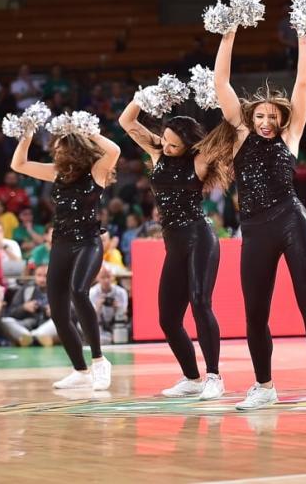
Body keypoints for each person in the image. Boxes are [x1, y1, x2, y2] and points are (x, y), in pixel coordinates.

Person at [197, 13, 306, 412]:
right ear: (249, 119)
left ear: (280, 120)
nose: (264, 121)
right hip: (255, 230)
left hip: (292, 221)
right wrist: (229, 34)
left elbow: (304, 83)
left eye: (270, 117)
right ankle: (264, 386)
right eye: (258, 116)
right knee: (255, 312)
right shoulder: (240, 136)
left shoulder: (291, 136)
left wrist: (304, 36)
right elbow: (221, 83)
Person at [120, 94, 233, 401]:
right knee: (168, 319)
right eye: (165, 140)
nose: (166, 147)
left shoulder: (199, 160)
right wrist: (143, 97)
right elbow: (127, 121)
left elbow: (230, 128)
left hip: (199, 237)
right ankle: (192, 378)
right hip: (173, 242)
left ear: (187, 144)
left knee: (200, 303)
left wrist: (218, 95)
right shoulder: (157, 152)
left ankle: (214, 377)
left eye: (173, 144)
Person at [10, 113, 119, 391]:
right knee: (58, 311)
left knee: (79, 291)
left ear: (75, 150)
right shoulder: (56, 172)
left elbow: (114, 149)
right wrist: (27, 132)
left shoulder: (97, 170)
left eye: (60, 146)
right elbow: (18, 164)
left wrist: (88, 130)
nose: (55, 150)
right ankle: (80, 370)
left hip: (89, 242)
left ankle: (99, 361)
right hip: (61, 244)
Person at [0, 265, 57, 347]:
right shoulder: (26, 289)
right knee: (5, 321)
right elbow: (11, 312)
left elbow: (71, 314)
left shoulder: (60, 290)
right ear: (34, 276)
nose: (42, 279)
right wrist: (24, 308)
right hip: (27, 325)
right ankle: (32, 337)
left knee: (58, 323)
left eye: (46, 276)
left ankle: (32, 337)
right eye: (39, 275)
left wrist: (56, 312)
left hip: (48, 325)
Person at [89, 266, 129, 346]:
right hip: (98, 326)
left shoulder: (121, 292)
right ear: (97, 278)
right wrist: (97, 308)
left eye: (108, 277)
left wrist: (118, 309)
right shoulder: (92, 292)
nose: (106, 280)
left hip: (116, 326)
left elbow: (125, 317)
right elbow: (89, 318)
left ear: (113, 277)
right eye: (103, 277)